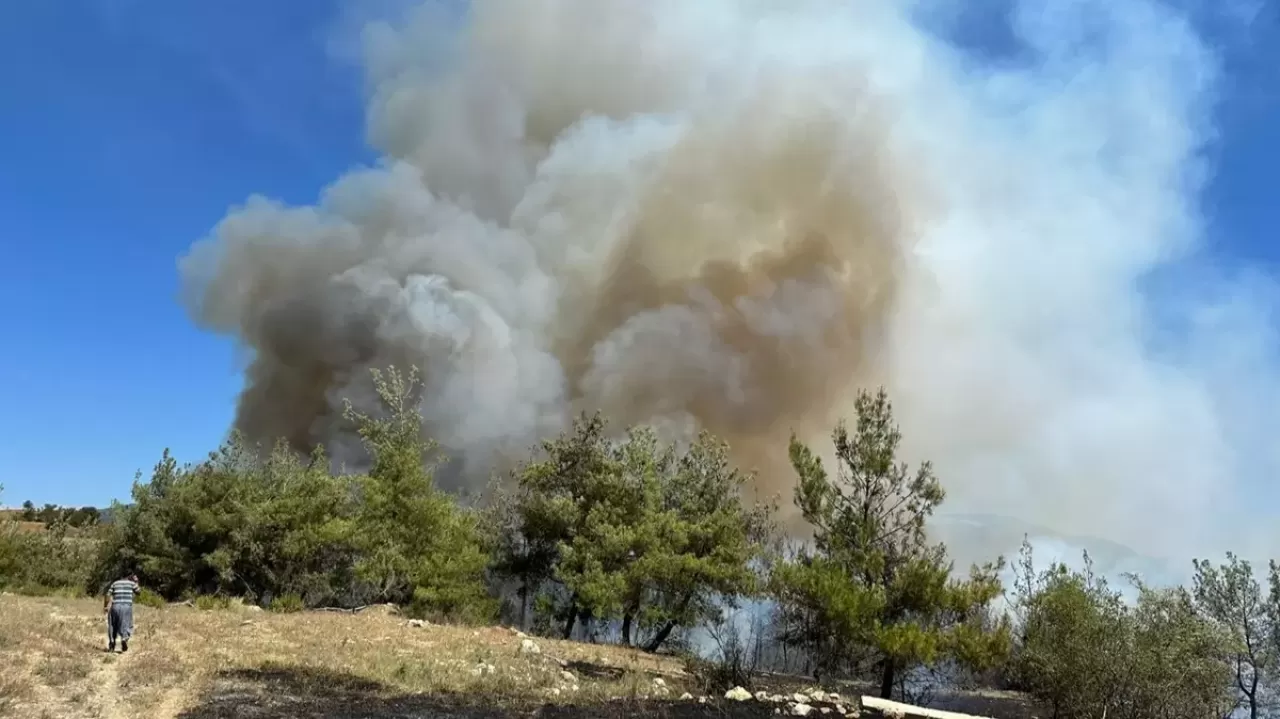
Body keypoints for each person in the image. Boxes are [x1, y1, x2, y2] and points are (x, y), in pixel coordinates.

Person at [104, 572, 141, 652]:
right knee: (127, 623)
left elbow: (107, 594)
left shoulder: (115, 583)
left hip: (115, 606)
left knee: (112, 624)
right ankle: (124, 638)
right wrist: (136, 582)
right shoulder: (132, 583)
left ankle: (112, 642)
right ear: (129, 576)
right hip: (127, 606)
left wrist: (106, 606)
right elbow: (138, 592)